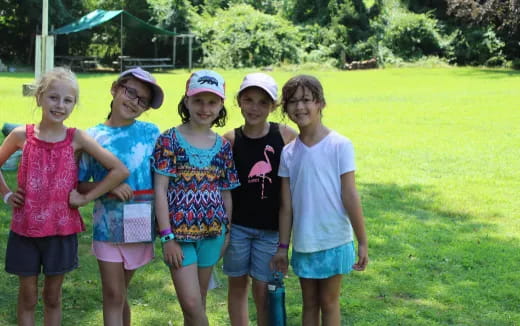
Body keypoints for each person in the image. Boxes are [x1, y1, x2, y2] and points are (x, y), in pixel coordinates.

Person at [0, 67, 129, 326]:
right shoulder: (21, 135)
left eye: (67, 100)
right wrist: (6, 194)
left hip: (61, 230)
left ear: (74, 104)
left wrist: (86, 197)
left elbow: (119, 170)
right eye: (53, 97)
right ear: (39, 97)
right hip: (25, 229)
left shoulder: (77, 138)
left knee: (52, 296)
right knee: (27, 296)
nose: (60, 105)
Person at [270, 75, 369, 326]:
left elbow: (350, 194)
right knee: (309, 304)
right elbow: (286, 206)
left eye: (306, 100)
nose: (299, 107)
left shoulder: (340, 145)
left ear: (321, 103)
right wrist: (283, 247)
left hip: (334, 240)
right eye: (292, 102)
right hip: (304, 243)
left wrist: (363, 241)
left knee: (329, 302)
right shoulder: (288, 152)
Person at [77, 67, 164, 326]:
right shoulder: (91, 136)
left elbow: (163, 178)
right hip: (106, 224)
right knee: (113, 293)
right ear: (115, 89)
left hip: (140, 221)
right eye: (130, 92)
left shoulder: (151, 132)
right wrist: (108, 186)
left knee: (120, 293)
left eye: (142, 100)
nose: (134, 102)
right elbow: (77, 183)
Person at [152, 70, 240, 326]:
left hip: (213, 233)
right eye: (198, 100)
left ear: (221, 105)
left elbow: (226, 190)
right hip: (178, 236)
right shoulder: (169, 140)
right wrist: (167, 236)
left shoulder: (222, 146)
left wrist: (228, 231)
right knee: (191, 304)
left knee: (197, 302)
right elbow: (160, 190)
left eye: (212, 102)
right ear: (186, 101)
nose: (205, 108)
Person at [222, 72, 297, 326]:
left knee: (263, 290)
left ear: (273, 106)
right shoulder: (230, 140)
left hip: (270, 230)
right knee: (238, 285)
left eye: (263, 102)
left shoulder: (286, 137)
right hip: (239, 228)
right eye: (249, 100)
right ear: (239, 101)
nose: (254, 107)